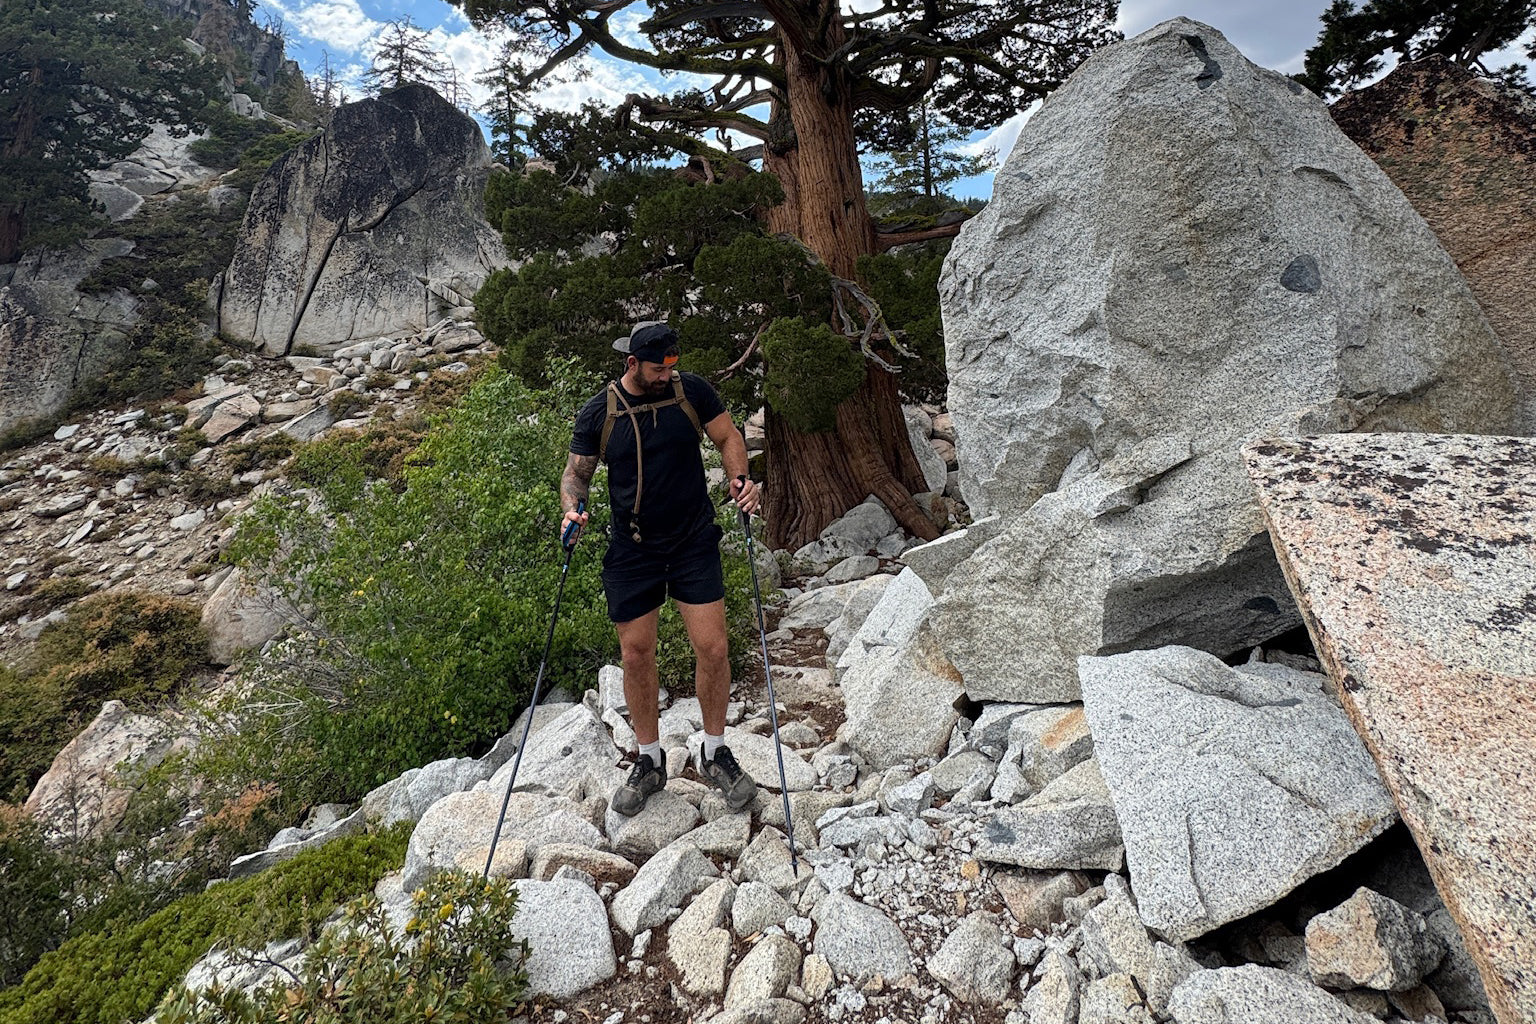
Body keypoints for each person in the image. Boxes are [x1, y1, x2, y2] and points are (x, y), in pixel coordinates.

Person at [560, 321, 762, 816]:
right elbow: (576, 474)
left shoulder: (689, 391)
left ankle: (714, 751)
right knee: (635, 654)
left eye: (672, 364)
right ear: (632, 364)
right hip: (633, 550)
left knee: (714, 647)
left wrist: (741, 479)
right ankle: (649, 760)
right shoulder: (600, 412)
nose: (668, 373)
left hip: (693, 540)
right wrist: (572, 508)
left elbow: (728, 436)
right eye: (658, 367)